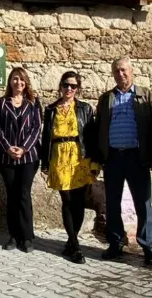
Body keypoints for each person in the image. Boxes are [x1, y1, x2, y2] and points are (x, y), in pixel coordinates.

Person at [96, 57, 152, 266]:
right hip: (113, 157)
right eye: (116, 71)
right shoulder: (106, 99)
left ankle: (149, 247)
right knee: (112, 204)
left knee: (143, 203)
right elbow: (99, 129)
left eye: (123, 70)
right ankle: (115, 243)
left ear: (131, 71)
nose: (120, 74)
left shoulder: (146, 96)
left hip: (137, 157)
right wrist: (100, 157)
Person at [41, 71, 98, 264]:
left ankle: (70, 242)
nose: (69, 89)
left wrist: (94, 163)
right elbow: (45, 137)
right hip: (59, 155)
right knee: (66, 200)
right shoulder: (51, 109)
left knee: (79, 201)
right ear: (61, 86)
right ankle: (75, 246)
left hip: (79, 157)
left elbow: (90, 137)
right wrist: (45, 162)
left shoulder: (85, 108)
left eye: (73, 86)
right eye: (66, 85)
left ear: (78, 89)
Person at [0, 67, 41, 253]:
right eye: (15, 79)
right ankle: (13, 236)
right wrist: (8, 148)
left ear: (26, 82)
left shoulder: (33, 103)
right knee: (12, 195)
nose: (18, 83)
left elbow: (36, 128)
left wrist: (23, 148)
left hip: (28, 157)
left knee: (23, 194)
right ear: (10, 82)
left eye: (21, 80)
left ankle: (27, 236)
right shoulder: (0, 103)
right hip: (7, 158)